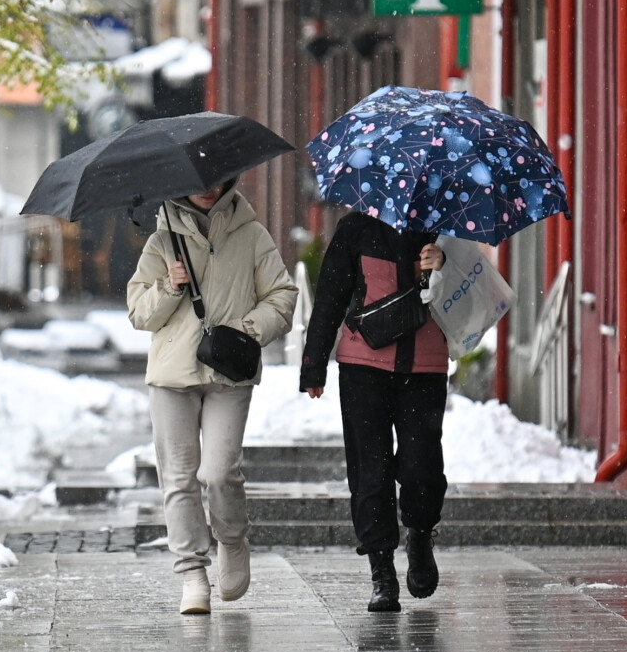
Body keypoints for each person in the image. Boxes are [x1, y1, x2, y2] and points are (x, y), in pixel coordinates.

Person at [128, 181, 298, 616]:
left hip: (229, 372)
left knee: (220, 472)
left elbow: (282, 295)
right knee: (179, 478)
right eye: (198, 182)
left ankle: (232, 540)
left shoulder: (251, 234)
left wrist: (245, 330)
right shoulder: (162, 240)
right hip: (172, 375)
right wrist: (169, 286)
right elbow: (138, 313)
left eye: (217, 178)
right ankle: (191, 573)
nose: (208, 189)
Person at [299, 211, 448, 613]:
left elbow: (473, 294)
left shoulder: (447, 227)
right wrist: (314, 364)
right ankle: (381, 570)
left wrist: (444, 266)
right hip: (363, 366)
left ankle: (420, 533)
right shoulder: (357, 228)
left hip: (425, 366)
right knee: (370, 470)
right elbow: (331, 295)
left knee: (422, 467)